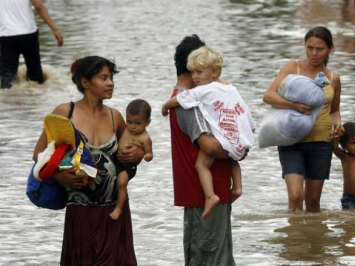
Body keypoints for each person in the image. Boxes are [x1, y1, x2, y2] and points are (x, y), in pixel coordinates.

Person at [32, 56, 143, 265]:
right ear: (85, 82)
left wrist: (136, 157)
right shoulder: (65, 113)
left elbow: (129, 159)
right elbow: (39, 154)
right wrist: (57, 174)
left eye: (111, 78)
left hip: (115, 211)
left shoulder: (115, 117)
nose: (111, 83)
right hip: (81, 211)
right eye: (103, 78)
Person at [162, 45, 255, 218]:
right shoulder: (232, 89)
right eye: (193, 72)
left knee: (201, 165)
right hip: (236, 138)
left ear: (214, 71)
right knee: (233, 158)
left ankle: (210, 196)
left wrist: (166, 105)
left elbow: (183, 98)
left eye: (199, 72)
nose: (195, 77)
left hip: (220, 139)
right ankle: (237, 187)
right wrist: (248, 130)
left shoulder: (202, 90)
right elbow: (245, 112)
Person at [167, 34, 236, 265]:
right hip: (205, 194)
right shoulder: (190, 102)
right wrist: (239, 148)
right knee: (212, 258)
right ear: (193, 66)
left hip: (205, 193)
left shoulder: (184, 98)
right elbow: (209, 146)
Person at [263, 26, 344, 213]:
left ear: (330, 49)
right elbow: (268, 96)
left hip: (322, 143)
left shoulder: (334, 78)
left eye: (319, 49)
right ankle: (295, 240)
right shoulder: (293, 68)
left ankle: (313, 239)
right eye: (310, 47)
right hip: (291, 140)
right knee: (295, 196)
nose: (314, 53)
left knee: (314, 202)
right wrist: (295, 106)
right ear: (305, 46)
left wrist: (338, 124)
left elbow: (335, 111)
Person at [0, 0, 63, 89]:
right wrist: (55, 30)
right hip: (28, 33)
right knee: (35, 70)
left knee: (7, 74)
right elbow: (39, 7)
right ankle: (36, 99)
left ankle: (7, 99)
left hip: (6, 35)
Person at [110, 99, 153, 220]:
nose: (132, 127)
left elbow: (149, 154)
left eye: (137, 123)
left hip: (128, 165)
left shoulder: (145, 138)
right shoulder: (126, 129)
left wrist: (147, 155)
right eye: (129, 122)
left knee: (122, 183)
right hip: (117, 160)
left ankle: (119, 208)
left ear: (147, 122)